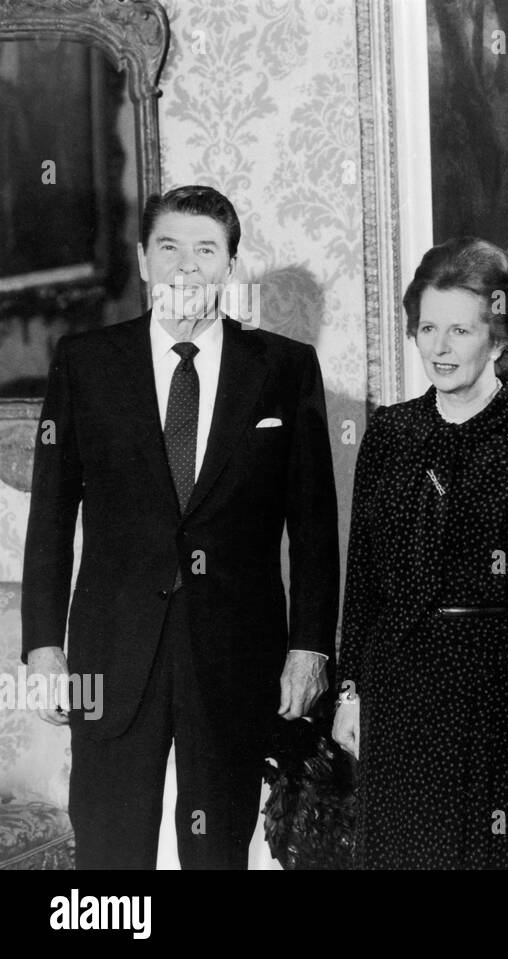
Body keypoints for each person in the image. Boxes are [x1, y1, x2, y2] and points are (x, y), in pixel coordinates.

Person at [22, 185, 339, 869]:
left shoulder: (283, 368)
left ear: (230, 265)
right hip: (112, 650)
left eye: (205, 250)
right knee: (108, 849)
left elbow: (314, 524)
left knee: (218, 846)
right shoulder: (85, 362)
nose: (186, 267)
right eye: (169, 248)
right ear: (142, 260)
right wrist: (43, 648)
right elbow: (50, 515)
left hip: (233, 653)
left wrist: (311, 645)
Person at [332, 237, 508, 869]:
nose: (439, 348)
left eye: (460, 331)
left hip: (496, 688)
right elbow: (361, 572)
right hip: (397, 685)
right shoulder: (389, 433)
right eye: (427, 329)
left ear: (501, 339)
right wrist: (349, 690)